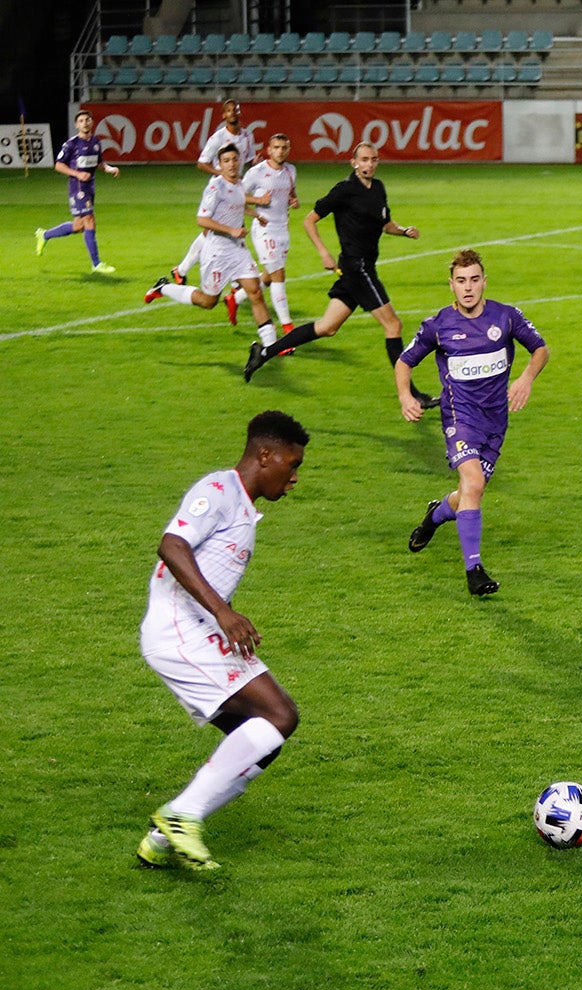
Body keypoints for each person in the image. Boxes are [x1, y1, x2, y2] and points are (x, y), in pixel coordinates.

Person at [136, 410, 309, 870]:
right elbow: (172, 545)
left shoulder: (244, 506)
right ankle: (181, 816)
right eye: (292, 466)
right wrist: (224, 613)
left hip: (197, 632)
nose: (293, 479)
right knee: (279, 714)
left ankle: (161, 839)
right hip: (178, 630)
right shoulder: (218, 490)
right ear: (265, 455)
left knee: (259, 743)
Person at [399, 249, 549, 596]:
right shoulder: (437, 325)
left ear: (484, 282)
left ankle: (436, 515)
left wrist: (526, 378)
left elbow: (540, 349)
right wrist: (406, 396)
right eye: (461, 281)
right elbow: (404, 362)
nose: (468, 288)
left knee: (468, 492)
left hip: (496, 421)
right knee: (474, 482)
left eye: (474, 280)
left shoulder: (506, 317)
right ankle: (474, 571)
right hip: (459, 418)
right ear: (451, 285)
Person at [241, 142, 437, 408]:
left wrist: (403, 230)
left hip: (359, 269)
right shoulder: (345, 190)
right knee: (394, 325)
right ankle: (411, 394)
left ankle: (264, 352)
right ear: (353, 162)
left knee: (326, 327)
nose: (369, 164)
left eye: (374, 159)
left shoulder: (378, 188)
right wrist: (323, 252)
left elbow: (385, 223)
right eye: (364, 159)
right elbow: (309, 219)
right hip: (358, 269)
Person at [143, 145, 279, 356]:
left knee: (255, 291)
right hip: (217, 252)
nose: (232, 164)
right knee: (208, 302)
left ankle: (271, 346)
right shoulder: (216, 187)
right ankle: (164, 288)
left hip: (238, 251)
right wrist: (231, 230)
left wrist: (256, 215)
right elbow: (202, 220)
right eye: (226, 161)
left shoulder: (239, 184)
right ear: (219, 165)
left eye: (235, 159)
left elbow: (237, 204)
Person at [169, 99, 259, 326]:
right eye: (229, 110)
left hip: (237, 187)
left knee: (222, 234)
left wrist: (253, 168)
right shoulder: (218, 137)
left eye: (236, 109)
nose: (233, 113)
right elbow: (201, 163)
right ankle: (185, 271)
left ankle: (182, 270)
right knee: (214, 233)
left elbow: (248, 161)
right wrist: (220, 171)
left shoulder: (247, 135)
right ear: (223, 115)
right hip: (220, 191)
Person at [34, 109, 120, 274]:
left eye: (87, 120)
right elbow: (58, 165)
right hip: (78, 189)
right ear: (76, 125)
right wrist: (77, 174)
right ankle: (96, 264)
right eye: (81, 121)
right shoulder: (71, 144)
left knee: (78, 226)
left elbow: (99, 162)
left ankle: (44, 235)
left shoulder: (96, 142)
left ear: (92, 122)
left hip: (90, 187)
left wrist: (109, 169)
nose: (85, 123)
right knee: (89, 220)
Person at [240, 133, 300, 333]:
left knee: (268, 276)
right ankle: (287, 326)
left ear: (288, 150)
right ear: (269, 150)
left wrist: (294, 200)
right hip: (263, 229)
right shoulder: (257, 172)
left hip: (282, 230)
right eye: (276, 147)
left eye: (284, 148)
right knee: (278, 275)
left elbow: (290, 192)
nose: (280, 151)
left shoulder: (291, 170)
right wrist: (258, 203)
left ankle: (235, 298)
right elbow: (236, 197)